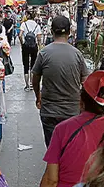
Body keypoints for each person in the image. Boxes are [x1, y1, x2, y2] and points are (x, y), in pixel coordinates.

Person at [32, 15, 90, 146]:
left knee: (53, 148)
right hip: (72, 112)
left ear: (51, 31)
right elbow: (86, 83)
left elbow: (35, 79)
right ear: (69, 32)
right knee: (70, 149)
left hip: (49, 111)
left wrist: (38, 96)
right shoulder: (77, 54)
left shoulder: (44, 53)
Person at [20, 11, 42, 91]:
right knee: (33, 66)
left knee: (26, 66)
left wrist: (22, 43)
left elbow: (20, 35)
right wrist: (39, 47)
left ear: (28, 15)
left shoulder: (24, 24)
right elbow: (39, 38)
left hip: (26, 46)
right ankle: (32, 84)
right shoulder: (37, 25)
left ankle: (27, 85)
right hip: (34, 47)